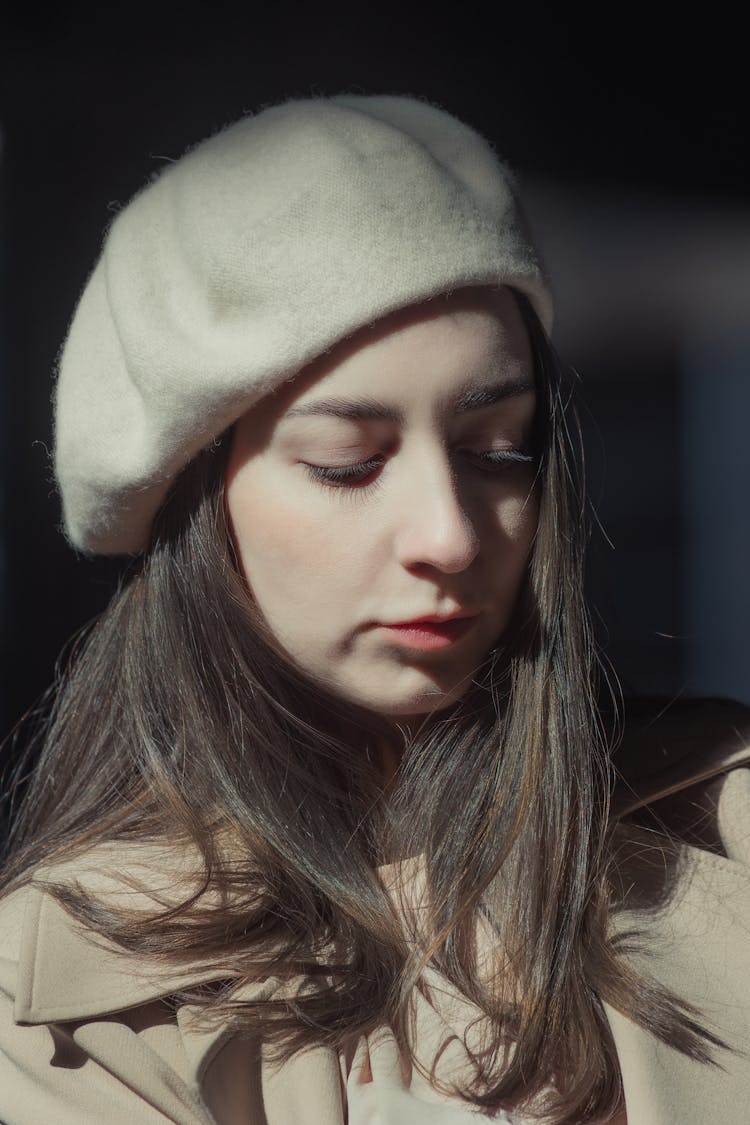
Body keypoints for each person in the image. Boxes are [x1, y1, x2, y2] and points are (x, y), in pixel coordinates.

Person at [0, 94, 749, 1125]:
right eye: (347, 464)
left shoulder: (731, 828)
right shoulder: (64, 992)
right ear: (192, 504)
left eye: (500, 451)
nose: (450, 532)